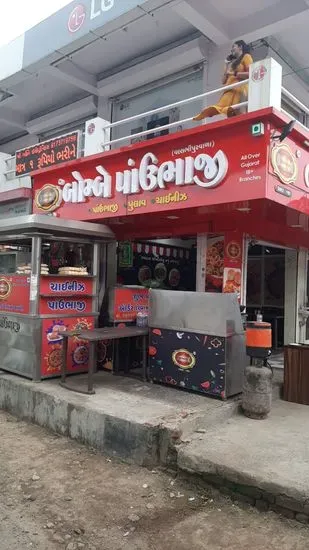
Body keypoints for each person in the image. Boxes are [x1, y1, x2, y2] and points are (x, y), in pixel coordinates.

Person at [193, 40, 253, 121]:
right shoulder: (232, 63)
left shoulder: (246, 57)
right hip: (229, 89)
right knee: (223, 107)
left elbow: (250, 74)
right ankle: (206, 113)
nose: (231, 50)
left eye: (233, 47)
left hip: (240, 89)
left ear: (240, 47)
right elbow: (223, 80)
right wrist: (227, 64)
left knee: (238, 111)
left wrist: (234, 74)